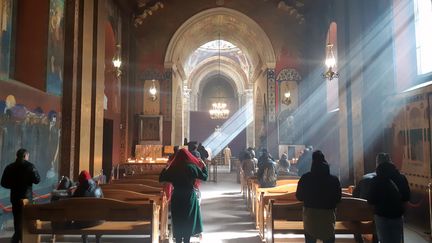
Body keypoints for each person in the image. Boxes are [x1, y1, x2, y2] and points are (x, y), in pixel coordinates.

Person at [159, 148, 208, 243]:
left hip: (177, 195)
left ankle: (177, 240)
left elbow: (161, 178)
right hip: (189, 196)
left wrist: (166, 166)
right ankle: (186, 240)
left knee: (178, 219)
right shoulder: (192, 167)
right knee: (188, 219)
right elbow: (205, 177)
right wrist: (204, 166)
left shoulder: (173, 167)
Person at [296, 150, 341, 243]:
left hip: (310, 215)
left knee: (310, 239)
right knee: (329, 238)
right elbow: (338, 198)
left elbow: (299, 196)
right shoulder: (334, 179)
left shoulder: (305, 178)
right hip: (328, 216)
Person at [367, 153, 410, 243]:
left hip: (381, 215)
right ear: (390, 161)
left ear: (377, 163)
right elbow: (406, 197)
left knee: (384, 240)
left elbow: (370, 200)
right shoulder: (401, 178)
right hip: (397, 215)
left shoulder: (375, 180)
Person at [1, 148, 41, 243]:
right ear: (25, 156)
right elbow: (37, 180)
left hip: (15, 197)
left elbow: (3, 183)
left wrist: (14, 185)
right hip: (27, 198)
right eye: (28, 156)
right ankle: (22, 237)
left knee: (17, 218)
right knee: (26, 218)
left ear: (17, 156)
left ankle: (17, 236)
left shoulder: (9, 167)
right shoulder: (30, 166)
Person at [72, 170, 104, 243]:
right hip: (97, 221)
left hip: (81, 223)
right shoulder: (98, 188)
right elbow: (103, 203)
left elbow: (73, 205)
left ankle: (84, 238)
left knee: (82, 215)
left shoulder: (78, 191)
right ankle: (98, 238)